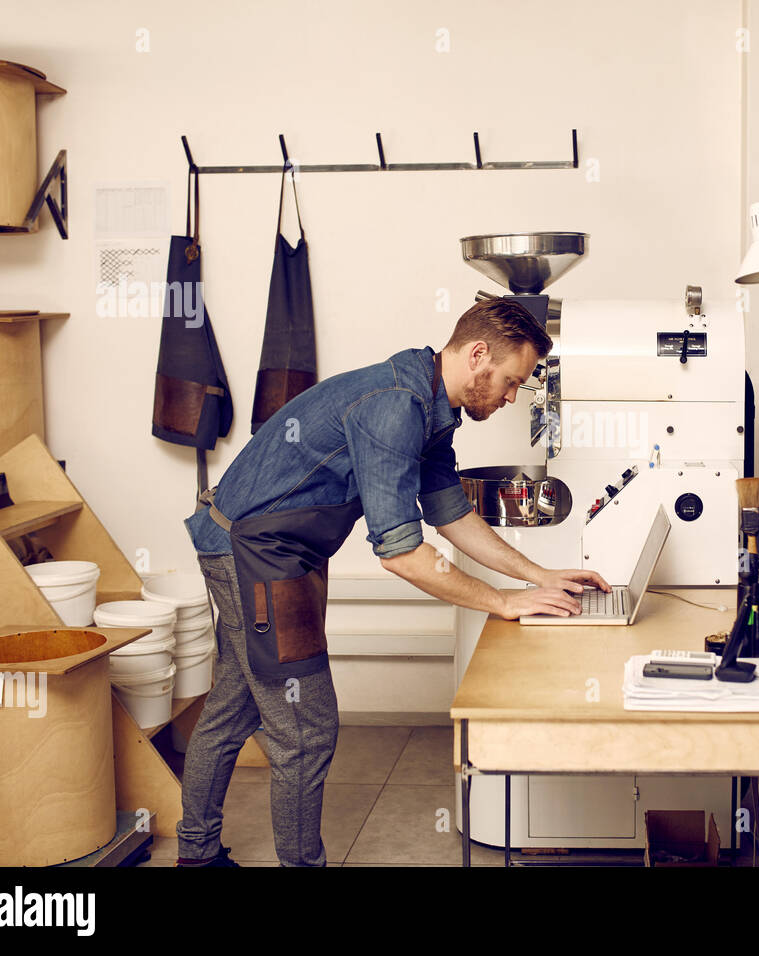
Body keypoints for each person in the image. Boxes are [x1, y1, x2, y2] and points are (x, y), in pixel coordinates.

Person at [174, 298, 610, 867]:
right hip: (252, 553)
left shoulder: (430, 404)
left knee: (235, 705)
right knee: (305, 732)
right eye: (510, 382)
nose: (510, 398)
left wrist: (539, 575)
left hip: (286, 551)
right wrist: (502, 602)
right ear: (478, 355)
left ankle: (196, 855)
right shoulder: (394, 407)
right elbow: (402, 553)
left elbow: (450, 514)